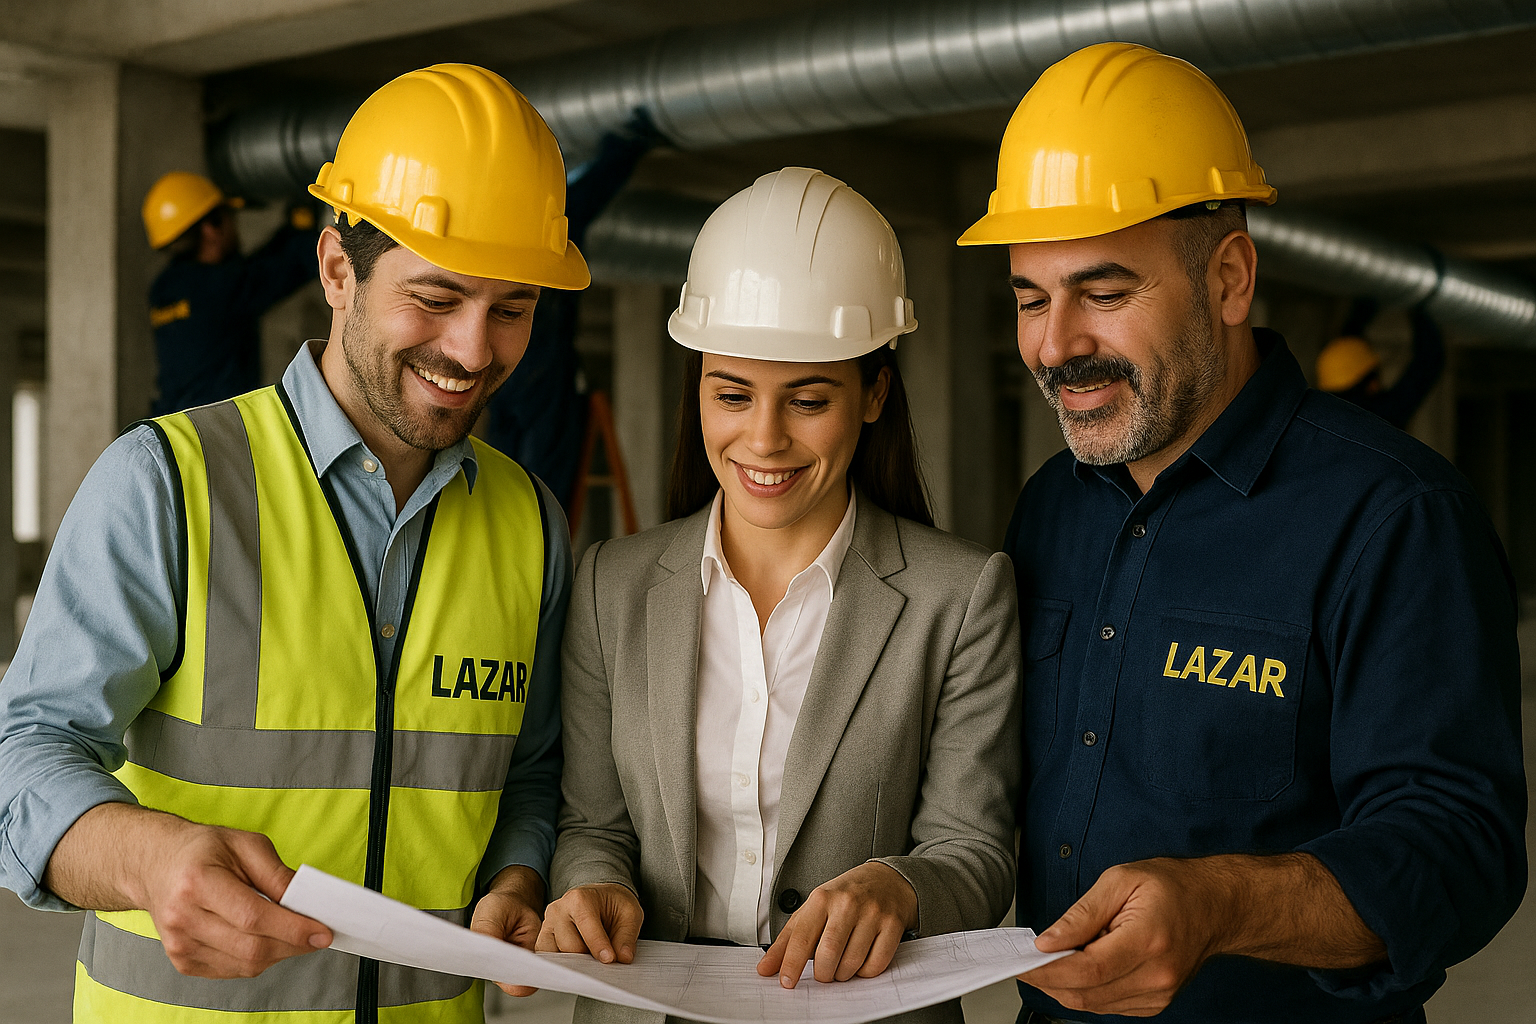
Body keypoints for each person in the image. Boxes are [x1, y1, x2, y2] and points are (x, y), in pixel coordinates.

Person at [0, 64, 588, 1023]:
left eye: (512, 310)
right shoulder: (168, 484)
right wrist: (145, 860)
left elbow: (530, 772)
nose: (474, 350)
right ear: (337, 271)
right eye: (436, 298)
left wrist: (519, 876)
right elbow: (25, 751)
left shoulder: (531, 524)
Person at [956, 42, 1526, 1024]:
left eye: (1104, 293)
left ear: (1228, 279)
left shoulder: (1394, 516)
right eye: (1031, 299)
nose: (1054, 346)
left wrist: (1223, 905)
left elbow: (1458, 848)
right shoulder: (1052, 504)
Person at [539, 167, 1022, 1024]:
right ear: (697, 387)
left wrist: (900, 886)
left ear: (873, 394)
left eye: (807, 400)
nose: (763, 439)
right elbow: (593, 824)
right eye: (732, 395)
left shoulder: (960, 597)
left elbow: (974, 852)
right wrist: (595, 883)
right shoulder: (613, 584)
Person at [485, 111, 666, 507]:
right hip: (518, 343)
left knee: (527, 464)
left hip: (523, 345)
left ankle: (624, 146)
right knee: (530, 464)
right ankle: (620, 148)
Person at [142, 171, 320, 414]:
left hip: (171, 423)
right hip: (216, 426)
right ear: (211, 229)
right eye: (229, 218)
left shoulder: (165, 288)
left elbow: (252, 269)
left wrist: (290, 229)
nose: (235, 227)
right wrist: (304, 226)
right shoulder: (220, 289)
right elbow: (290, 266)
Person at [1316, 297, 1446, 429]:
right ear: (1370, 382)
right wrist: (1421, 300)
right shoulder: (1382, 416)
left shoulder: (1325, 411)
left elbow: (1349, 344)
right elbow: (1429, 361)